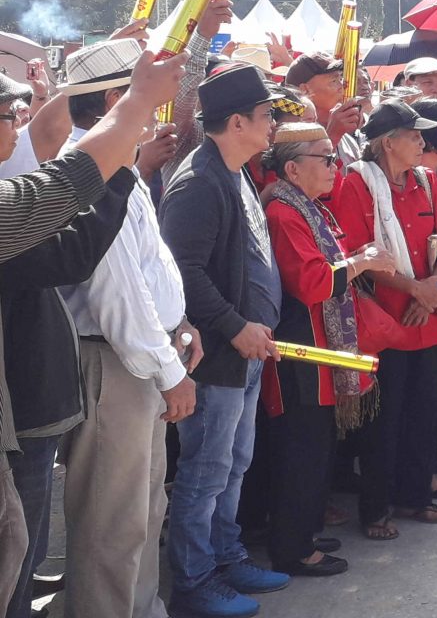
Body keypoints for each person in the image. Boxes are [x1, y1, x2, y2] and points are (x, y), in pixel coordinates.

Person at [54, 46, 205, 618]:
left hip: (140, 356)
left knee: (140, 514)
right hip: (116, 362)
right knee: (111, 525)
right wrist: (169, 372)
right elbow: (118, 297)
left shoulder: (116, 163)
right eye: (152, 88)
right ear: (118, 98)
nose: (162, 102)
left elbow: (147, 270)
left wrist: (179, 322)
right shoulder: (90, 172)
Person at [158, 63, 292, 617]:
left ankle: (225, 557)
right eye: (266, 116)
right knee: (205, 471)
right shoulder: (199, 182)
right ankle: (194, 581)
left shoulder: (233, 172)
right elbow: (183, 273)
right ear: (237, 122)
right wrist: (236, 326)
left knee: (233, 463)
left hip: (245, 351)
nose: (272, 125)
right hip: (216, 355)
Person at [0, 147, 134, 618]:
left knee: (25, 549)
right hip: (26, 415)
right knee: (14, 556)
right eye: (8, 116)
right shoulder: (9, 208)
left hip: (37, 410)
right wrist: (119, 171)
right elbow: (73, 253)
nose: (14, 126)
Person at [260, 123, 394, 577]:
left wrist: (357, 257)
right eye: (326, 158)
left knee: (316, 450)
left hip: (318, 349)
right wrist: (362, 261)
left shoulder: (307, 206)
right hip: (302, 352)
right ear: (293, 169)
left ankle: (304, 534)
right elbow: (314, 282)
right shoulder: (284, 212)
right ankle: (294, 549)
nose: (336, 166)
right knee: (302, 452)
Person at [335, 101, 437, 540]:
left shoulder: (426, 181)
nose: (422, 143)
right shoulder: (356, 183)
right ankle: (375, 510)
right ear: (387, 143)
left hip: (427, 317)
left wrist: (433, 289)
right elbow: (358, 255)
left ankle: (415, 497)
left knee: (424, 414)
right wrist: (414, 289)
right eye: (413, 136)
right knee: (382, 422)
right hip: (383, 323)